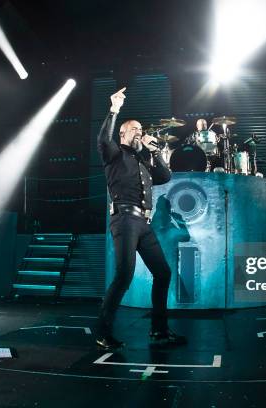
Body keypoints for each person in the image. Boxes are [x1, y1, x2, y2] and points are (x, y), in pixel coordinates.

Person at [96, 87, 187, 350]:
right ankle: (103, 333)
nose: (139, 131)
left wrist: (155, 152)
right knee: (124, 275)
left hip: (143, 224)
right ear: (123, 134)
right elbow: (103, 139)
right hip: (124, 220)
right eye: (133, 129)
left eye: (140, 128)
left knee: (163, 273)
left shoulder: (142, 161)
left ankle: (159, 331)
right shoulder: (114, 154)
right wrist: (114, 110)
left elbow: (166, 177)